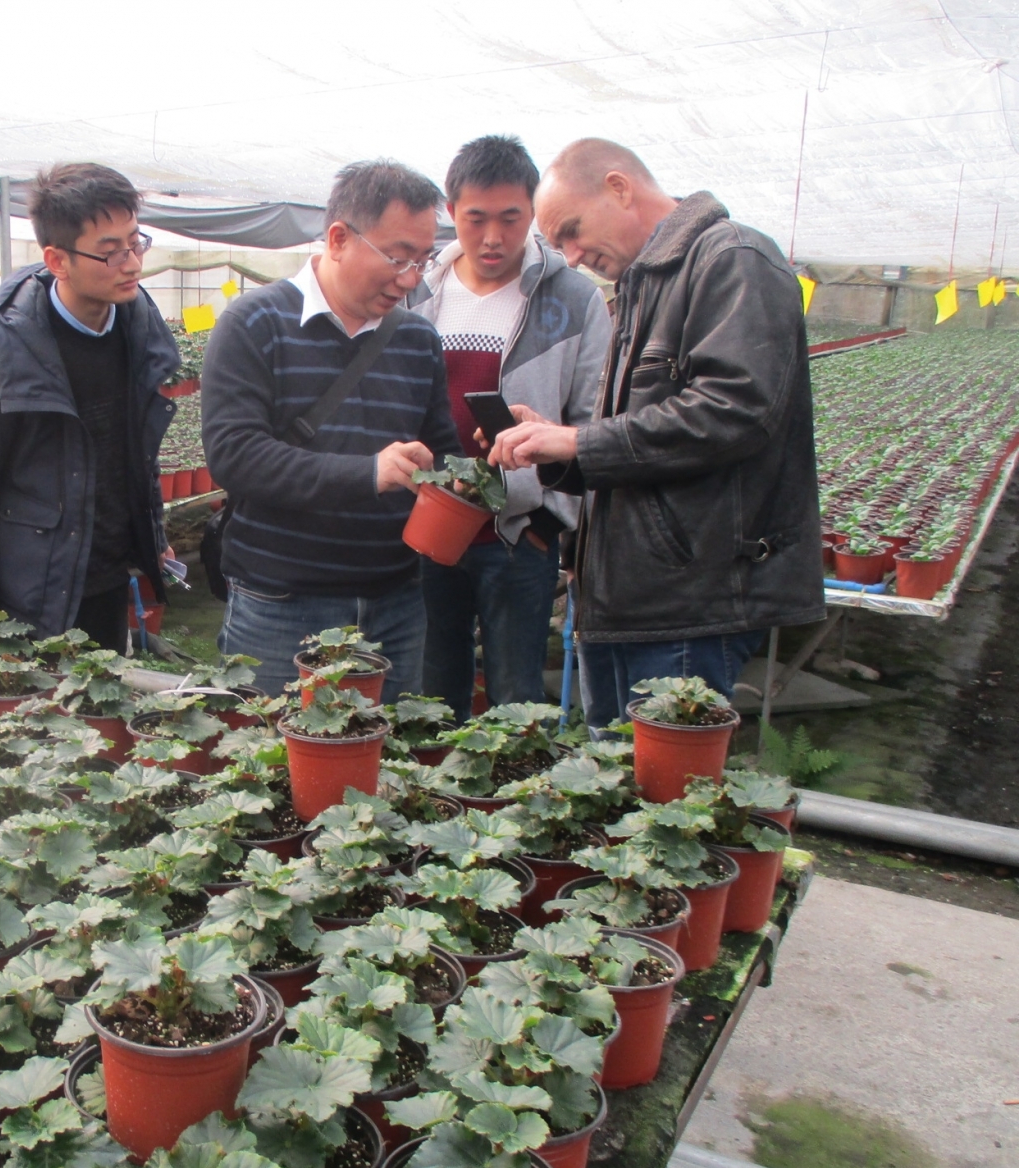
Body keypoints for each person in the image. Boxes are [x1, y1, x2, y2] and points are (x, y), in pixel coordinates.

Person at [490, 138, 823, 732]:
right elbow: (636, 443)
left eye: (572, 231)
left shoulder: (733, 259)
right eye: (558, 244)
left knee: (665, 784)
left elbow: (735, 411)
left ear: (618, 188)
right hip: (626, 599)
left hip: (690, 602)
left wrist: (580, 443)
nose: (571, 256)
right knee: (611, 776)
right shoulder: (638, 289)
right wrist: (559, 443)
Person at [201, 160, 459, 703]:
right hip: (281, 605)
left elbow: (441, 451)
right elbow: (235, 455)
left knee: (392, 751)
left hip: (395, 603)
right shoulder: (254, 323)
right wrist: (367, 473)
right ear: (339, 238)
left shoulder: (417, 340)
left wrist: (466, 475)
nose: (410, 278)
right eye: (397, 257)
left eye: (422, 259)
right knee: (274, 748)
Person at [0, 163, 180, 647]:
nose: (132, 264)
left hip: (107, 574)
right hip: (32, 589)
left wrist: (152, 535)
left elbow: (136, 453)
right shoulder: (0, 353)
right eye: (110, 252)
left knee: (104, 689)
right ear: (57, 260)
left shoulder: (138, 331)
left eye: (136, 243)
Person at [411, 135, 610, 711]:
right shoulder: (418, 292)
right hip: (428, 526)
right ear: (452, 211)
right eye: (476, 219)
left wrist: (550, 520)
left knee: (515, 698)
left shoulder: (572, 300)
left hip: (519, 536)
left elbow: (593, 420)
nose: (493, 237)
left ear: (534, 213)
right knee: (430, 691)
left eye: (511, 218)